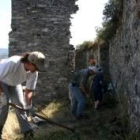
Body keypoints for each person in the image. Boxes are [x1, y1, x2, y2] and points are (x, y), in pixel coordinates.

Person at [0, 51, 46, 139]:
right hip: (2, 82)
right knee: (4, 106)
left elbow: (28, 90)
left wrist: (29, 107)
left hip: (14, 83)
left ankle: (27, 132)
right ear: (29, 62)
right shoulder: (13, 63)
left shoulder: (34, 72)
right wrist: (2, 95)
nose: (37, 70)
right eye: (36, 67)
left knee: (21, 105)